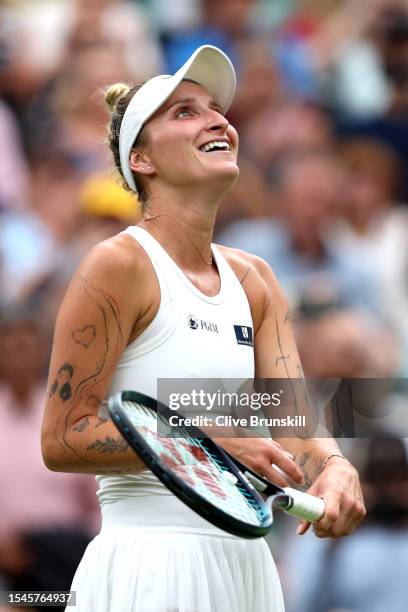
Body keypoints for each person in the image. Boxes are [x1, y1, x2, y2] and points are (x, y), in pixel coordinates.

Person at [41, 45, 365, 612]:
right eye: (185, 111)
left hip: (247, 567)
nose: (219, 119)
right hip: (149, 563)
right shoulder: (118, 265)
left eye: (217, 108)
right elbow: (63, 436)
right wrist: (202, 440)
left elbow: (291, 421)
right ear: (141, 159)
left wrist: (335, 468)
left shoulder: (256, 278)